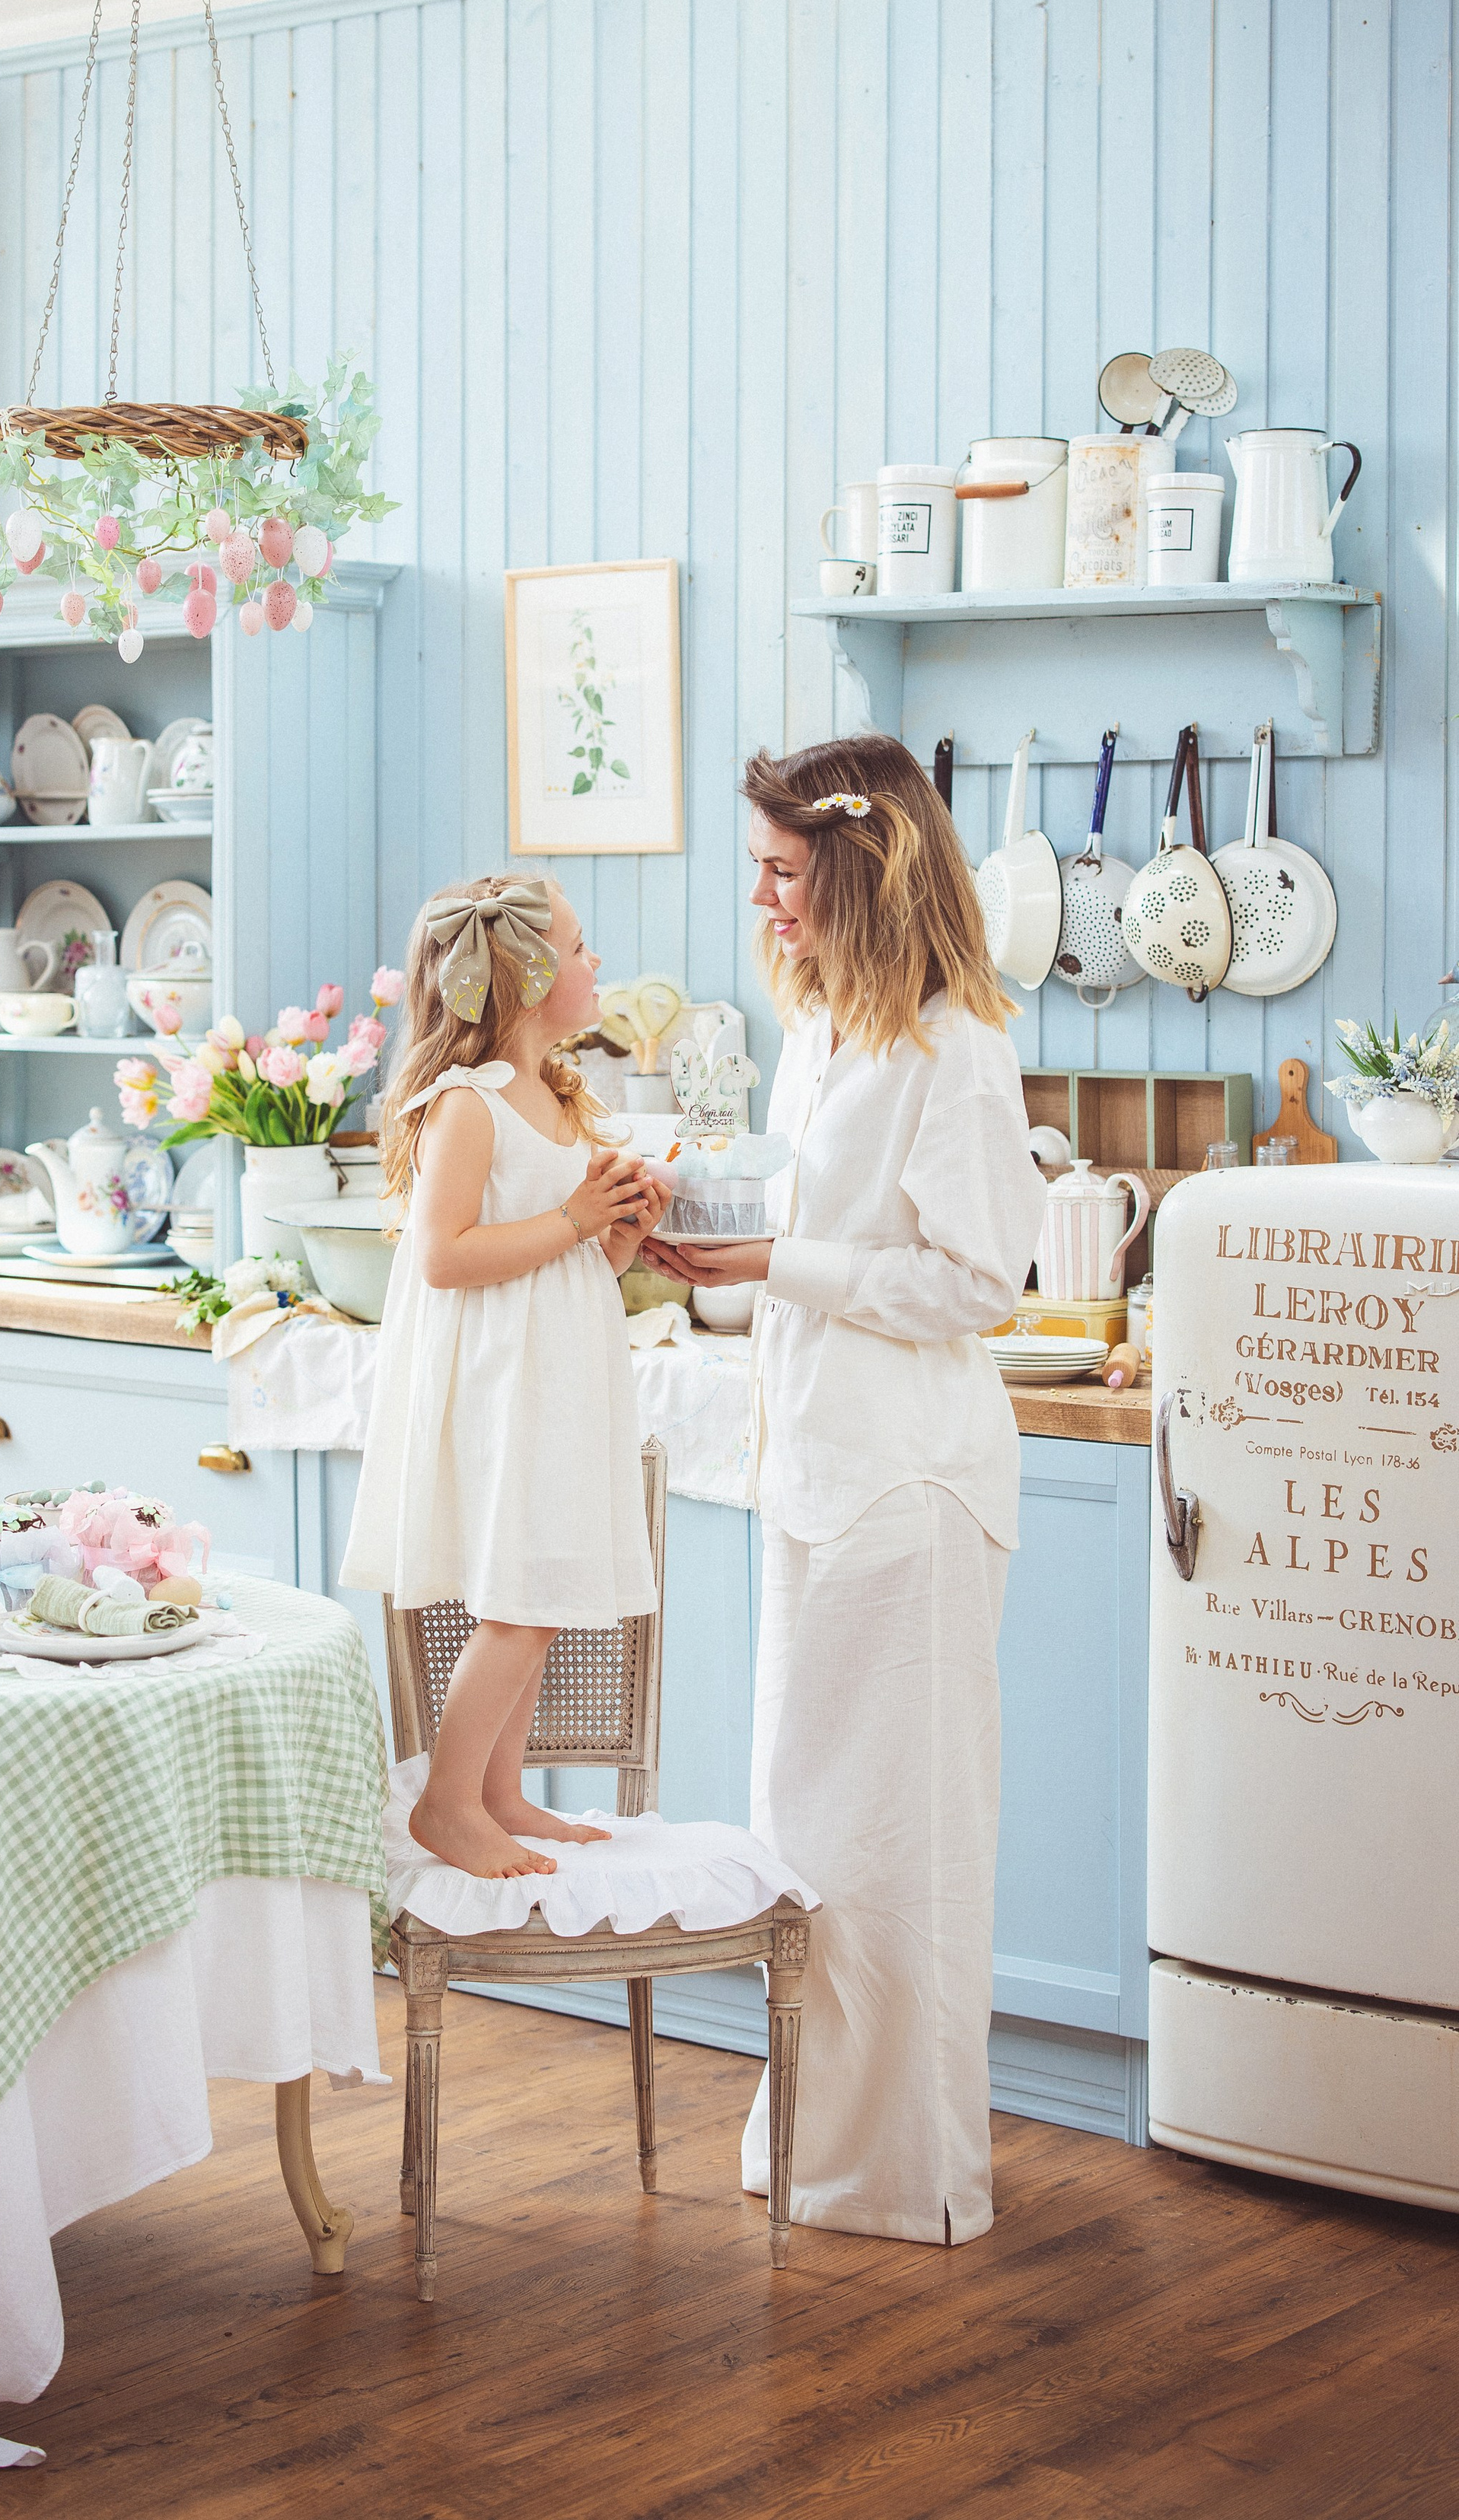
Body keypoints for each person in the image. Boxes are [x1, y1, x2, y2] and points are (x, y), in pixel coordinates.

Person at [642, 733, 1046, 2245]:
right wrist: (722, 1267)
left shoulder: (955, 1048)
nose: (760, 901)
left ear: (862, 874)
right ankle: (817, 2141)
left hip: (910, 1489)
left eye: (782, 873)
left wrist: (772, 1262)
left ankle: (905, 2172)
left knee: (901, 1847)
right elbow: (819, 1260)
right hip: (821, 1474)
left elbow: (973, 1281)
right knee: (812, 1834)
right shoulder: (823, 1033)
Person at [339, 873, 670, 1879]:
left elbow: (569, 1260)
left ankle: (497, 1789)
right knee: (517, 1602)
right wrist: (573, 1219)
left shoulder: (564, 1098)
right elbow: (442, 1255)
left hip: (558, 1380)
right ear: (527, 977)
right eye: (579, 948)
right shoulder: (468, 1106)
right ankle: (446, 1801)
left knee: (538, 1588)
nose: (596, 962)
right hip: (502, 1390)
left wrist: (616, 1235)